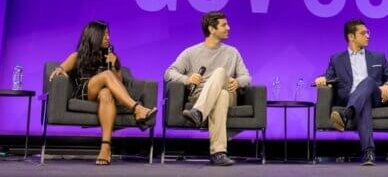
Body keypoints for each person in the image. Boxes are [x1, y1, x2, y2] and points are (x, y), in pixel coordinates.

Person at [49, 20, 157, 165]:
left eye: (108, 34)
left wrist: (114, 66)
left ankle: (105, 147)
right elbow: (61, 68)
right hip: (85, 92)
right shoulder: (77, 56)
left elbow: (118, 84)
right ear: (94, 36)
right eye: (104, 34)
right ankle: (137, 108)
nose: (108, 38)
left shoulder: (111, 56)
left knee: (106, 93)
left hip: (103, 95)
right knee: (106, 75)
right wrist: (59, 70)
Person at [164, 11, 251, 166]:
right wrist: (187, 79)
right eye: (224, 25)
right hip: (201, 95)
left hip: (230, 94)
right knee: (221, 95)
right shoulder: (191, 52)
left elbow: (247, 77)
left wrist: (238, 82)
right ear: (211, 29)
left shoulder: (232, 52)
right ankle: (218, 153)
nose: (228, 28)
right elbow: (169, 73)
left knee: (221, 73)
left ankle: (198, 112)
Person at [314, 19, 388, 166]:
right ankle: (369, 153)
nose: (368, 36)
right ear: (351, 36)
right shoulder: (336, 59)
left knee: (368, 81)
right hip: (350, 98)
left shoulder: (378, 57)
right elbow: (328, 77)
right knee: (363, 102)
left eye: (368, 32)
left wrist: (387, 85)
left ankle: (345, 115)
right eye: (363, 33)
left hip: (375, 96)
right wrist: (322, 79)